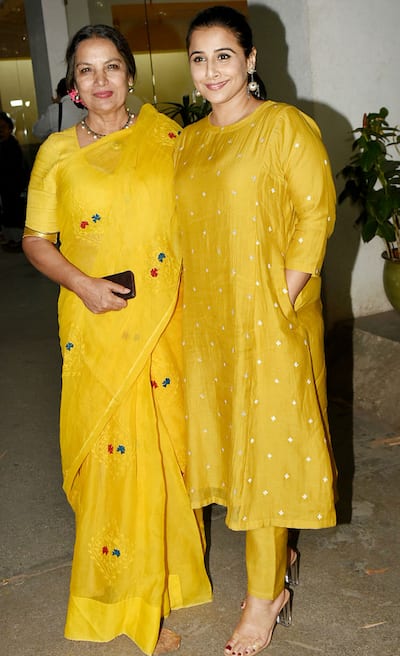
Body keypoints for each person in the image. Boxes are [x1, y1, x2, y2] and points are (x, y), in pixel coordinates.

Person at [22, 24, 211, 656]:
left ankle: (167, 581)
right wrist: (82, 286)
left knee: (166, 454)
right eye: (86, 71)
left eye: (111, 68)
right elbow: (35, 240)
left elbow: (204, 216)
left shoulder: (171, 140)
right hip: (95, 325)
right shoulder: (55, 153)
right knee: (111, 464)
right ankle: (122, 596)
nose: (100, 81)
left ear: (131, 75)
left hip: (167, 320)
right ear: (72, 86)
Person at [174, 6, 337, 655]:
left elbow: (314, 213)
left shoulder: (283, 128)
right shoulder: (187, 141)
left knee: (266, 461)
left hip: (272, 320)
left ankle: (265, 600)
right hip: (207, 326)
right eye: (198, 57)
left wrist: (282, 297)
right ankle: (279, 563)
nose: (211, 70)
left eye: (223, 55)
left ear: (250, 60)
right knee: (232, 455)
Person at [0, 111, 28, 251]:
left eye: (3, 128)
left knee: (14, 213)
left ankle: (16, 240)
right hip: (7, 186)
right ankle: (12, 239)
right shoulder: (6, 145)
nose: (1, 131)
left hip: (13, 186)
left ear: (10, 128)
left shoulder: (12, 146)